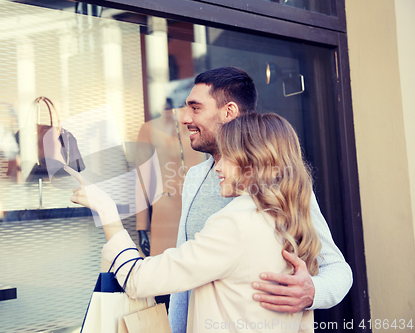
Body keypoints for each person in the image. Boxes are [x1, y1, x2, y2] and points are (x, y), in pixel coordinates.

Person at [66, 112, 321, 332]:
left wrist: (107, 210)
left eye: (226, 156)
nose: (217, 167)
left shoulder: (236, 224)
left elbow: (138, 279)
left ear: (252, 163)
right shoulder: (291, 219)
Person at [169, 67, 353, 333]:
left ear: (229, 112)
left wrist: (314, 290)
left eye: (195, 108)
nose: (185, 118)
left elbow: (337, 269)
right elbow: (183, 273)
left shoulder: (280, 181)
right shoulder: (195, 177)